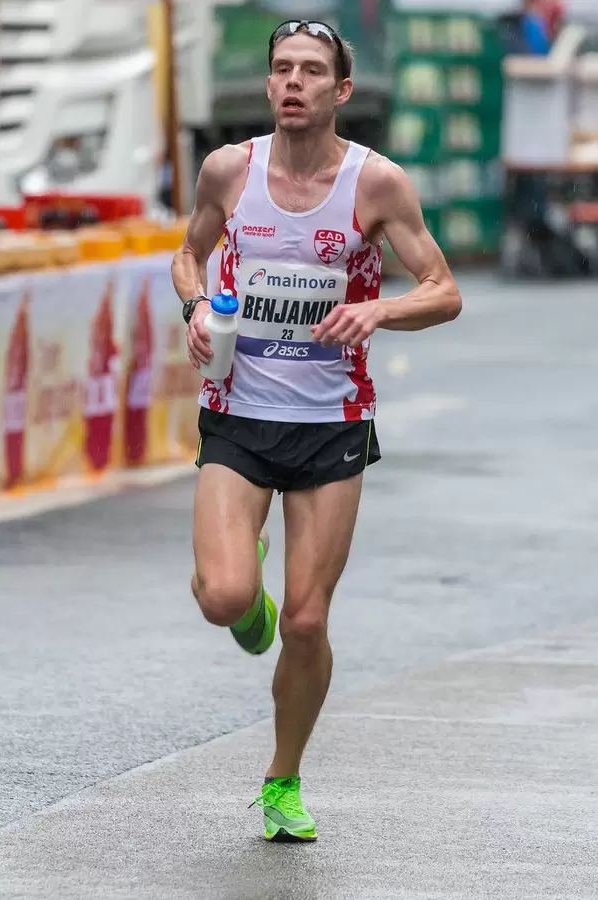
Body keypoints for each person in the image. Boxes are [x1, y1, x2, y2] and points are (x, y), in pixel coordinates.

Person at [171, 19, 461, 842]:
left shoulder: (377, 186)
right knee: (226, 597)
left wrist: (381, 308)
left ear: (340, 91)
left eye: (312, 71)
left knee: (306, 620)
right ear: (268, 87)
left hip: (330, 420)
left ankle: (282, 781)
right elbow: (187, 256)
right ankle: (244, 592)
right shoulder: (230, 170)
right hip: (238, 411)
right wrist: (195, 308)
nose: (294, 82)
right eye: (282, 70)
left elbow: (442, 289)